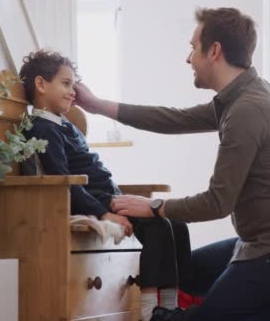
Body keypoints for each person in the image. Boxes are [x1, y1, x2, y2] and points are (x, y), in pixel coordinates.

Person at [73, 7, 270, 321]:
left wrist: (154, 207)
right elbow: (173, 119)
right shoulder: (241, 96)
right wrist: (98, 106)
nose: (188, 59)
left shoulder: (247, 110)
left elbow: (217, 203)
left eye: (192, 48)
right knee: (186, 276)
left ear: (214, 51)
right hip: (266, 242)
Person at [18, 49, 192, 321]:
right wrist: (104, 212)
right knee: (157, 224)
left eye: (73, 84)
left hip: (107, 194)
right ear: (40, 84)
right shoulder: (43, 129)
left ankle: (175, 301)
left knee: (177, 224)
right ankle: (150, 310)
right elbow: (64, 185)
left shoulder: (63, 124)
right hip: (94, 199)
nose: (72, 91)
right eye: (65, 83)